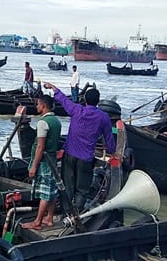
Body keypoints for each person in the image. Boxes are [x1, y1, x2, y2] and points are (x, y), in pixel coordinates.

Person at [43, 81, 115, 211]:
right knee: (82, 189)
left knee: (67, 186)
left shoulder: (76, 109)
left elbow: (63, 100)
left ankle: (67, 213)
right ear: (98, 102)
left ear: (85, 100)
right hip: (86, 158)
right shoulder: (103, 117)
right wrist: (112, 153)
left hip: (70, 154)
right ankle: (76, 214)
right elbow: (109, 138)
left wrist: (53, 87)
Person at [21, 95, 61, 230]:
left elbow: (40, 146)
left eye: (38, 104)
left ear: (43, 106)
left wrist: (34, 166)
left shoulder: (42, 123)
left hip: (44, 161)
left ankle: (37, 221)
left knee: (44, 192)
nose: (36, 106)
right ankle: (49, 218)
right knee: (52, 190)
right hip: (53, 160)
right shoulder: (56, 120)